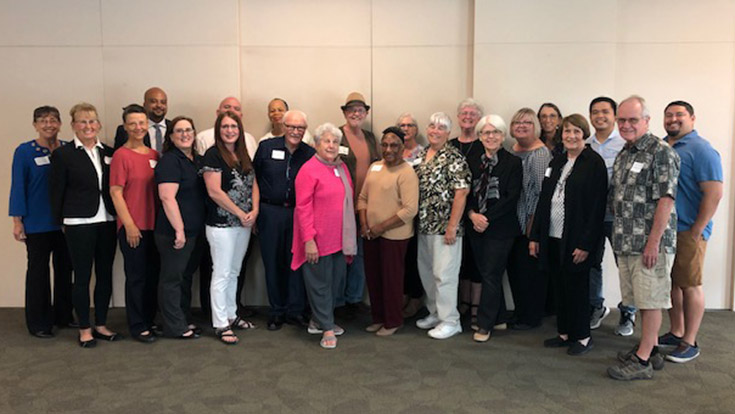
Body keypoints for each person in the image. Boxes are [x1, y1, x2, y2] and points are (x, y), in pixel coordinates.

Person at [607, 96, 680, 381]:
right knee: (637, 298)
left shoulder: (660, 151)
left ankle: (643, 360)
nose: (626, 125)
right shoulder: (626, 152)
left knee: (650, 301)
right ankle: (650, 349)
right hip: (626, 241)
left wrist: (653, 242)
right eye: (622, 120)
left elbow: (666, 199)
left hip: (651, 244)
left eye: (632, 120)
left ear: (646, 121)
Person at [529, 114, 608, 355]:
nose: (571, 136)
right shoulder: (558, 160)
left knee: (576, 288)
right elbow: (544, 201)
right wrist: (535, 236)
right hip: (552, 235)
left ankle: (583, 336)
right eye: (566, 132)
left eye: (576, 131)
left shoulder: (594, 162)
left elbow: (597, 208)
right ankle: (564, 333)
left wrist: (586, 244)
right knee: (559, 286)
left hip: (576, 238)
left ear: (584, 134)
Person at [49, 102, 119, 348]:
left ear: (98, 125)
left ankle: (100, 323)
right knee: (81, 276)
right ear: (73, 126)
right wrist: (60, 222)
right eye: (82, 122)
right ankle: (84, 328)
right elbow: (56, 192)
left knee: (104, 274)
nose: (88, 126)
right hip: (79, 222)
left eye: (92, 121)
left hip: (107, 220)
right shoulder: (63, 154)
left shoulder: (109, 152)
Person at [659, 101, 723, 363]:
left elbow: (714, 193)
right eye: (669, 115)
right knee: (673, 283)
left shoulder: (702, 150)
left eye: (679, 115)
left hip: (689, 229)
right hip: (666, 229)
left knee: (691, 285)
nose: (673, 119)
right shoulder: (663, 146)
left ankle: (690, 340)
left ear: (692, 118)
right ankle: (676, 331)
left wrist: (698, 229)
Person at [9, 106, 74, 338]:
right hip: (36, 222)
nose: (49, 124)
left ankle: (64, 316)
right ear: (35, 125)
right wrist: (17, 221)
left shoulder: (68, 148)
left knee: (66, 269)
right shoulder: (25, 151)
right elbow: (18, 187)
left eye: (53, 120)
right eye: (43, 120)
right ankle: (39, 322)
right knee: (38, 272)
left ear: (60, 124)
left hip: (65, 222)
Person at [292, 123, 357, 349]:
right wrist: (308, 240)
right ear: (316, 144)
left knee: (334, 283)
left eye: (335, 142)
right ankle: (327, 328)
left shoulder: (341, 167)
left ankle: (317, 320)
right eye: (326, 141)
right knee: (319, 284)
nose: (331, 145)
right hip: (317, 240)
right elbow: (302, 208)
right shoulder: (308, 170)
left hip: (340, 239)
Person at [195, 96, 258, 319]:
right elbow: (214, 191)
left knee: (234, 272)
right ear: (218, 129)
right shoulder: (213, 153)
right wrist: (241, 213)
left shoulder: (242, 153)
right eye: (225, 126)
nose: (230, 130)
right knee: (221, 274)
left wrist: (255, 211)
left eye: (233, 126)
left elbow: (253, 182)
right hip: (222, 224)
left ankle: (232, 315)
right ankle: (220, 322)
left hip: (244, 223)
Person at [253, 110, 315, 330]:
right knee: (272, 262)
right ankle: (277, 311)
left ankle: (295, 310)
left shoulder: (310, 153)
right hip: (270, 212)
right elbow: (254, 180)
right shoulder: (266, 148)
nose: (295, 132)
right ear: (283, 126)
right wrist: (255, 212)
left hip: (298, 214)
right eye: (291, 127)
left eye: (300, 128)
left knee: (296, 263)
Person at [464, 115, 522, 342]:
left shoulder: (513, 162)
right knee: (488, 273)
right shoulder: (472, 162)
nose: (491, 137)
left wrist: (485, 218)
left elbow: (512, 197)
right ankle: (498, 318)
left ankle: (485, 324)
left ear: (503, 135)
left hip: (500, 228)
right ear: (479, 136)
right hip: (475, 226)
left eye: (495, 132)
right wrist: (472, 215)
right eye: (486, 133)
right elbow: (465, 192)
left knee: (491, 274)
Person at [414, 112, 471, 340]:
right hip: (424, 225)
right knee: (427, 272)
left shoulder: (454, 157)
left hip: (446, 228)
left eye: (441, 128)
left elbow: (462, 191)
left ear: (448, 133)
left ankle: (451, 320)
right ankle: (435, 312)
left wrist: (452, 226)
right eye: (432, 126)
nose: (435, 130)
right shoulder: (422, 154)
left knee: (443, 274)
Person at [358, 126, 419, 336]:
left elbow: (410, 210)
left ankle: (393, 321)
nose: (388, 149)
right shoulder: (375, 167)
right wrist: (365, 225)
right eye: (384, 144)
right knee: (374, 278)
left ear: (402, 147)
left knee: (391, 280)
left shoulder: (407, 172)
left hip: (394, 236)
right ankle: (378, 317)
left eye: (394, 145)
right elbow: (363, 198)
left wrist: (379, 227)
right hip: (370, 234)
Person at [109, 104, 160, 343]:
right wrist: (129, 225)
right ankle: (138, 325)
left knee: (152, 276)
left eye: (142, 123)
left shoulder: (153, 156)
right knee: (136, 277)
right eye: (133, 123)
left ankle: (150, 320)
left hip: (154, 226)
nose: (139, 127)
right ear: (125, 127)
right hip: (133, 228)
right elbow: (116, 193)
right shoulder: (121, 155)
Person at [584, 97, 634, 335]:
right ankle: (596, 306)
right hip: (591, 216)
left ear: (614, 116)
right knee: (592, 264)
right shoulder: (585, 145)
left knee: (624, 266)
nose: (599, 116)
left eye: (605, 111)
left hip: (618, 217)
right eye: (595, 112)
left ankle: (628, 313)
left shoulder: (626, 143)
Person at [155, 116, 206, 340]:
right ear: (171, 136)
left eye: (188, 130)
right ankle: (174, 326)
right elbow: (167, 197)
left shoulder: (196, 160)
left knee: (185, 277)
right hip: (174, 231)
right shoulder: (169, 161)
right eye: (179, 131)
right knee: (172, 279)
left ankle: (183, 319)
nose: (185, 134)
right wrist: (179, 230)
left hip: (195, 231)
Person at [506, 108, 552, 330]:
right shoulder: (510, 150)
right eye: (517, 123)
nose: (521, 126)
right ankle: (520, 312)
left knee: (529, 273)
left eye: (527, 123)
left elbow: (544, 194)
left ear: (536, 127)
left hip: (530, 223)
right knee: (516, 270)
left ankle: (531, 317)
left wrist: (534, 228)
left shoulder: (540, 154)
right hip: (512, 221)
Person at [337, 92, 380, 315]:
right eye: (351, 110)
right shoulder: (335, 135)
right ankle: (337, 301)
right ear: (344, 112)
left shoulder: (371, 138)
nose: (356, 113)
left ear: (365, 113)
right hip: (341, 207)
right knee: (341, 253)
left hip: (366, 208)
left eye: (360, 110)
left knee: (361, 254)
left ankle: (353, 298)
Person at [449, 98, 485, 326]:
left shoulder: (485, 144)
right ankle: (460, 305)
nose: (468, 116)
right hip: (452, 213)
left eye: (473, 113)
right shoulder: (450, 145)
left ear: (479, 118)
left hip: (476, 213)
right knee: (457, 262)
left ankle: (475, 309)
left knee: (475, 262)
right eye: (464, 113)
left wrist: (472, 211)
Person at [396, 113, 424, 318]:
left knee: (414, 258)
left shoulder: (423, 153)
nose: (405, 129)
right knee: (401, 258)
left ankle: (416, 299)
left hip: (416, 213)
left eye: (410, 125)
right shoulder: (393, 151)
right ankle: (403, 296)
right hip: (395, 213)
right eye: (402, 125)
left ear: (416, 129)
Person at [113, 87, 171, 151]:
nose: (159, 105)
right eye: (153, 102)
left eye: (163, 102)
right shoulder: (126, 130)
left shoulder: (175, 127)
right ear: (144, 105)